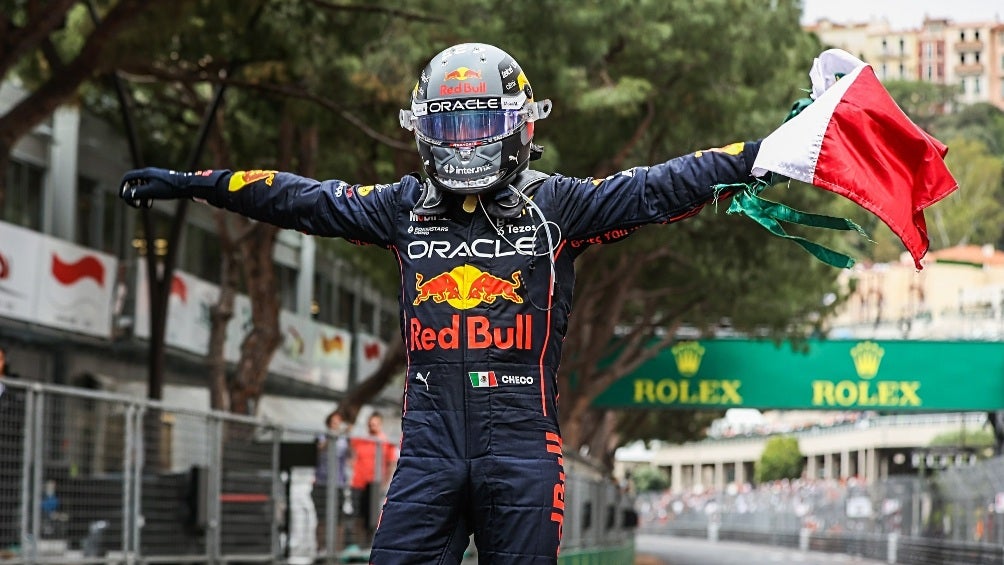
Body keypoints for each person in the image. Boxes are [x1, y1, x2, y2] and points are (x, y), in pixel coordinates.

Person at [119, 42, 762, 564]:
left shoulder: (560, 206)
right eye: (449, 125)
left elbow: (663, 185)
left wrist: (760, 157)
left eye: (479, 123)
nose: (464, 142)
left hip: (521, 448)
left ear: (519, 125)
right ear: (423, 129)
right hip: (428, 449)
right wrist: (197, 182)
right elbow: (299, 197)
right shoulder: (402, 208)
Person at [348, 412, 395, 548]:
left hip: (375, 484)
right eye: (370, 424)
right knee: (358, 515)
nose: (372, 427)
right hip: (358, 483)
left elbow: (390, 463)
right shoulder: (362, 440)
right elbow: (350, 448)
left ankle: (370, 545)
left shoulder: (385, 442)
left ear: (380, 425)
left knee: (373, 517)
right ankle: (358, 545)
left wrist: (385, 483)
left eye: (375, 424)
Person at [314, 410, 353, 552]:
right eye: (333, 422)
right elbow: (318, 450)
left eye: (337, 422)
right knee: (321, 519)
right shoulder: (321, 437)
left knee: (339, 520)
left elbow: (351, 456)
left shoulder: (344, 440)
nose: (335, 425)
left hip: (338, 484)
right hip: (321, 483)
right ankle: (321, 549)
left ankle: (337, 551)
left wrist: (347, 436)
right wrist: (331, 437)